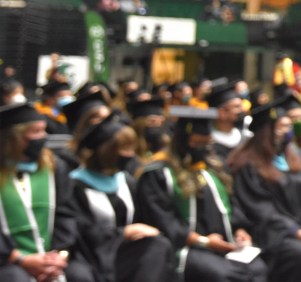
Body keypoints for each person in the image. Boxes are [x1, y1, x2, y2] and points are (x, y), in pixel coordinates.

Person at [136, 107, 267, 282]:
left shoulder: (213, 168)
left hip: (224, 244)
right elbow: (162, 220)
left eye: (207, 144)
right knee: (224, 275)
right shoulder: (158, 173)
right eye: (198, 144)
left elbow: (231, 204)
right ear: (183, 140)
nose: (203, 149)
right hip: (185, 247)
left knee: (258, 269)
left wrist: (240, 230)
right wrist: (203, 241)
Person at [227, 97, 301, 282]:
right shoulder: (249, 165)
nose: (287, 132)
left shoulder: (295, 156)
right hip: (274, 234)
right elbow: (261, 210)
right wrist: (296, 231)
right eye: (281, 127)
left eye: (288, 127)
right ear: (266, 132)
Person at [68, 115, 174, 282]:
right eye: (124, 149)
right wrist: (122, 233)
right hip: (90, 255)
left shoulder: (126, 181)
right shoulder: (75, 185)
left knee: (158, 245)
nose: (130, 155)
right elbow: (79, 232)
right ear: (106, 150)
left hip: (122, 251)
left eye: (132, 148)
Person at [0, 102, 94, 282]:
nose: (43, 137)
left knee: (80, 275)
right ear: (12, 138)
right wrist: (21, 259)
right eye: (35, 132)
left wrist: (58, 256)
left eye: (44, 130)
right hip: (7, 261)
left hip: (51, 254)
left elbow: (66, 214)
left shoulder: (54, 167)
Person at [208, 80, 248, 160]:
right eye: (237, 107)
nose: (242, 110)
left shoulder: (243, 139)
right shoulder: (208, 142)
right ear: (222, 112)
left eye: (241, 106)